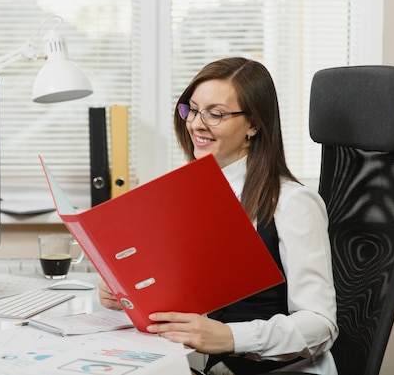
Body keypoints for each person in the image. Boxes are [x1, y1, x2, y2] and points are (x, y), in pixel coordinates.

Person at [98, 57, 338, 374]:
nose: (197, 123)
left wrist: (229, 337)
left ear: (253, 124)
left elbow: (321, 326)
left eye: (216, 114)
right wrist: (132, 294)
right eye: (193, 109)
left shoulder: (292, 202)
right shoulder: (187, 195)